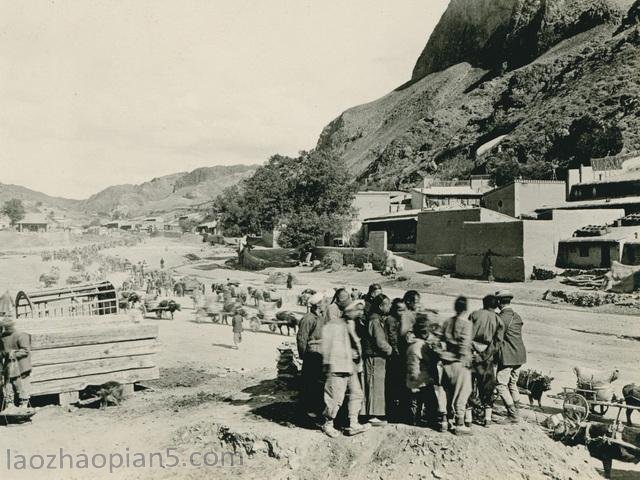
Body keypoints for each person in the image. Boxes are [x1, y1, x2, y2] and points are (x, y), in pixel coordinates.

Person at [320, 290, 368, 437]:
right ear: (349, 311)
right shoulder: (334, 325)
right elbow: (327, 348)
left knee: (357, 394)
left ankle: (353, 423)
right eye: (357, 310)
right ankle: (328, 424)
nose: (360, 313)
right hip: (337, 367)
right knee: (335, 397)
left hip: (350, 366)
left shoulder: (351, 324)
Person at [468, 295, 504, 426]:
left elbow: (466, 335)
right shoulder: (498, 320)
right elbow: (497, 343)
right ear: (496, 305)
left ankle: (467, 419)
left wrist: (473, 352)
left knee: (469, 386)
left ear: (483, 303)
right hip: (487, 358)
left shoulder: (474, 315)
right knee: (487, 387)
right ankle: (487, 419)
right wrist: (484, 356)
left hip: (471, 355)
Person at [441, 296, 473, 435]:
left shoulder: (447, 322)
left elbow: (440, 340)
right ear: (465, 309)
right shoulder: (466, 324)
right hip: (459, 362)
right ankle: (459, 423)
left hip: (446, 362)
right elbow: (464, 345)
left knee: (447, 393)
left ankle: (446, 421)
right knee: (462, 393)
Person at [495, 290, 526, 422]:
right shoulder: (517, 316)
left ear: (499, 302)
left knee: (501, 385)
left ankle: (513, 414)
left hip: (508, 356)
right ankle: (517, 410)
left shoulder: (501, 318)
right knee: (512, 384)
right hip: (520, 354)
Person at [362, 294, 393, 426]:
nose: (389, 306)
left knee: (376, 385)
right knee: (374, 385)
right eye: (387, 304)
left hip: (376, 357)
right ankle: (373, 415)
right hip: (375, 357)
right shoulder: (375, 321)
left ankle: (374, 413)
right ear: (381, 306)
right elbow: (380, 342)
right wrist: (390, 350)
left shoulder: (376, 318)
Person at [296, 293, 327, 419]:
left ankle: (315, 407)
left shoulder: (320, 317)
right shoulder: (308, 319)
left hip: (319, 354)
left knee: (317, 383)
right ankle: (308, 410)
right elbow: (301, 338)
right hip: (311, 355)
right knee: (310, 383)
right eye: (324, 302)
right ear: (319, 305)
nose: (326, 305)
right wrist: (305, 356)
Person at [0, 316, 34, 414]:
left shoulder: (21, 335)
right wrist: (4, 354)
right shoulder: (2, 337)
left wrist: (13, 353)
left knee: (22, 385)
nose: (5, 329)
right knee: (8, 385)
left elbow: (25, 351)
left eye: (7, 327)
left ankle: (24, 405)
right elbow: (2, 351)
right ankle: (10, 404)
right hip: (9, 366)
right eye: (4, 327)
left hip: (21, 366)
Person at [384, 298, 406, 420]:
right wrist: (397, 354)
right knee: (393, 384)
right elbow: (393, 338)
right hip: (394, 357)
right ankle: (392, 412)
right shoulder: (391, 320)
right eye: (400, 310)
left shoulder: (398, 319)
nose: (402, 312)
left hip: (399, 355)